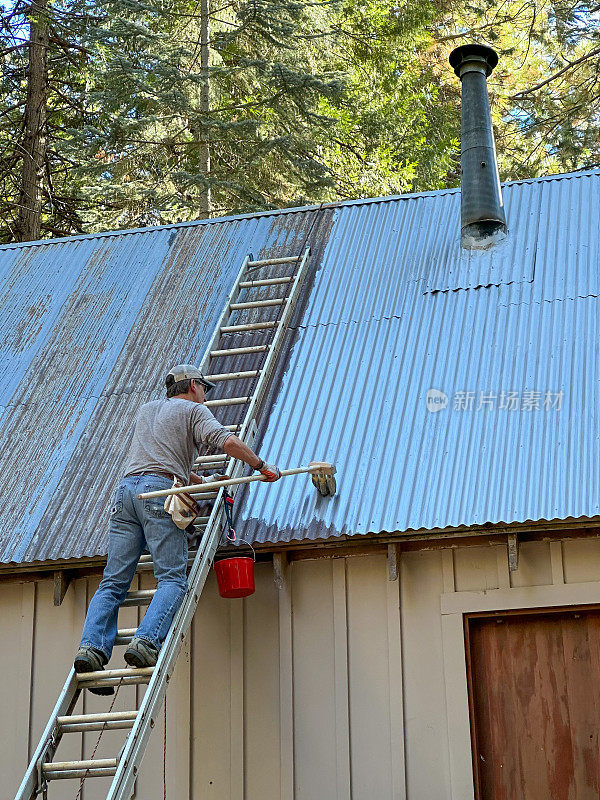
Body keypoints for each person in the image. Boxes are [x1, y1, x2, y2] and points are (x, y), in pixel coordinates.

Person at [74, 364, 280, 692]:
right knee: (172, 578)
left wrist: (205, 481)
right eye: (204, 388)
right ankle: (145, 643)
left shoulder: (147, 410)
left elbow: (161, 461)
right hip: (159, 495)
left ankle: (92, 649)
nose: (205, 395)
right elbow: (227, 442)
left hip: (127, 492)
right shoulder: (194, 410)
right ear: (193, 386)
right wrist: (261, 466)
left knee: (113, 582)